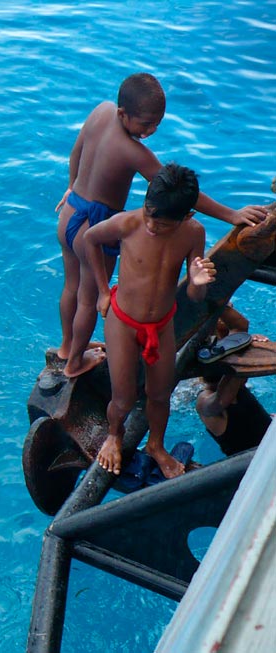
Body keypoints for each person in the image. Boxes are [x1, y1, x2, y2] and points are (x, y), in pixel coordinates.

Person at [55, 72, 267, 378]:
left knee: (71, 287)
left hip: (71, 211)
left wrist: (72, 185)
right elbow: (183, 195)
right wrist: (230, 215)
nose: (151, 130)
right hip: (95, 222)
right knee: (88, 298)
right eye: (145, 124)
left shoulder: (99, 111)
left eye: (157, 123)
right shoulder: (134, 152)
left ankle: (66, 347)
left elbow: (76, 152)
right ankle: (75, 362)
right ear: (122, 114)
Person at [84, 163, 216, 479]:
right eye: (149, 215)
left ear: (187, 216)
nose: (152, 226)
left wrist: (197, 283)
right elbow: (90, 239)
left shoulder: (193, 233)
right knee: (124, 397)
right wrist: (103, 292)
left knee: (160, 393)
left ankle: (156, 446)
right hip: (123, 321)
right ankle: (114, 435)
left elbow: (196, 299)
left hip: (161, 324)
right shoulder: (128, 224)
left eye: (162, 224)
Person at [196, 306, 272, 455]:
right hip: (251, 467)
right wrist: (246, 351)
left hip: (270, 444)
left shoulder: (237, 385)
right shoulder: (204, 402)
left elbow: (241, 326)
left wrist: (249, 344)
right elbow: (222, 399)